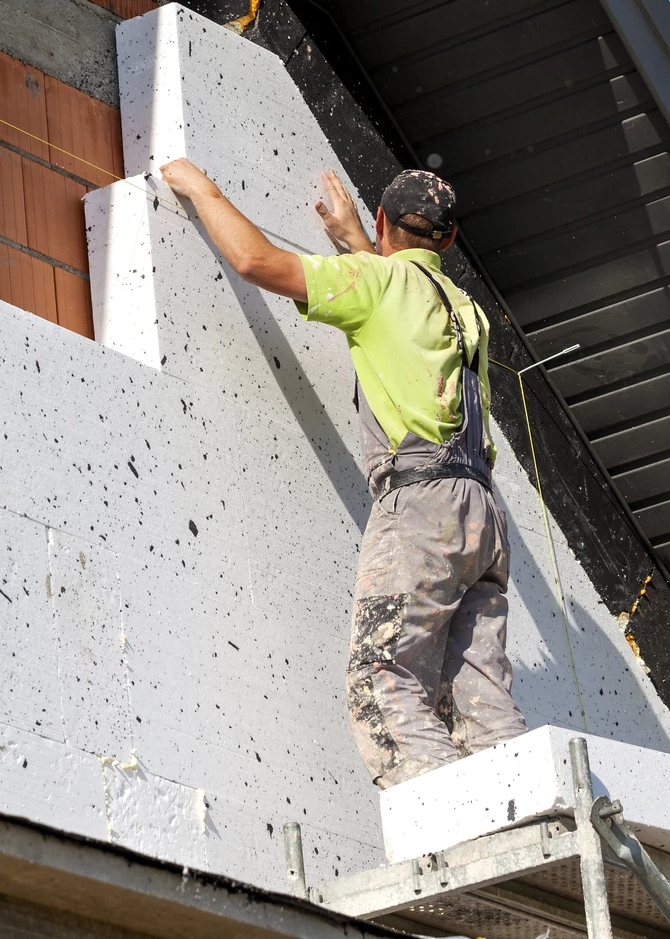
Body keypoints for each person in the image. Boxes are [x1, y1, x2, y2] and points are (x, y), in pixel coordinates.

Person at [157, 157, 527, 789]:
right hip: (481, 515)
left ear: (382, 221)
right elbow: (403, 298)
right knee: (479, 699)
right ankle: (533, 810)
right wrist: (359, 240)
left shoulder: (378, 285)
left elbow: (257, 263)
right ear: (451, 240)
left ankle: (449, 826)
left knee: (383, 678)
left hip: (421, 508)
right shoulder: (465, 308)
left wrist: (202, 187)